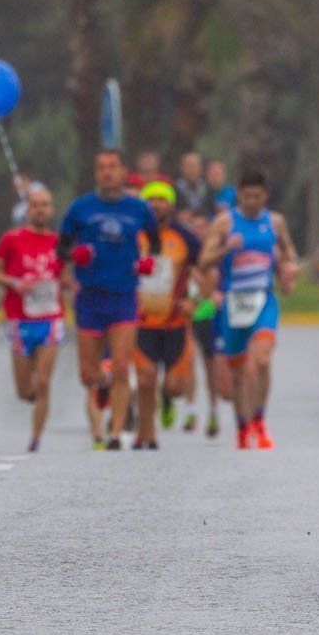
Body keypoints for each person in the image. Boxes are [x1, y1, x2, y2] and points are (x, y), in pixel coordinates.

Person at [60, 150, 161, 451]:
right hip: (90, 298)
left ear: (123, 172)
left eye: (112, 167)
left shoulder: (138, 209)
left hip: (123, 296)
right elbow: (60, 248)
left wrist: (146, 262)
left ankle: (115, 432)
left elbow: (155, 243)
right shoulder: (81, 209)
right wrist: (74, 255)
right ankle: (101, 386)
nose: (107, 173)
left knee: (120, 366)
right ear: (96, 174)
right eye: (101, 167)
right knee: (88, 374)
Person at [198, 169, 298, 450]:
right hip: (233, 304)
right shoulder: (224, 222)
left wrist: (290, 268)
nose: (252, 201)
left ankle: (260, 421)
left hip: (264, 299)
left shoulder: (275, 222)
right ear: (238, 195)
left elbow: (289, 253)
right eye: (246, 196)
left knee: (262, 361)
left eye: (257, 196)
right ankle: (242, 427)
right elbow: (204, 261)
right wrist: (224, 249)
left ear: (265, 196)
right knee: (240, 374)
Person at [0, 185, 66, 452]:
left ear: (51, 209)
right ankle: (33, 397)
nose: (40, 209)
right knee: (25, 392)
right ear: (27, 210)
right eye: (35, 204)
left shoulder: (59, 243)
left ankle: (35, 438)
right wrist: (13, 282)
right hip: (19, 319)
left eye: (45, 204)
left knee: (43, 381)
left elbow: (67, 276)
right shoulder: (12, 239)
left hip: (51, 318)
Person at [132, 182, 202, 450]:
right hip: (142, 321)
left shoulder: (185, 236)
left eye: (162, 199)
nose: (156, 204)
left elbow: (205, 270)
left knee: (175, 387)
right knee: (146, 377)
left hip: (175, 323)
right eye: (151, 200)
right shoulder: (134, 234)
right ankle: (146, 434)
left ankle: (167, 398)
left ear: (171, 205)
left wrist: (194, 300)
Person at [184, 212, 227, 438]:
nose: (199, 231)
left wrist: (208, 293)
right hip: (189, 318)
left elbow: (217, 282)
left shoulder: (213, 258)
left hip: (208, 317)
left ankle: (213, 410)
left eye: (203, 227)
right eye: (195, 227)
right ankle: (190, 410)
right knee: (188, 362)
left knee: (210, 367)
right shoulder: (186, 257)